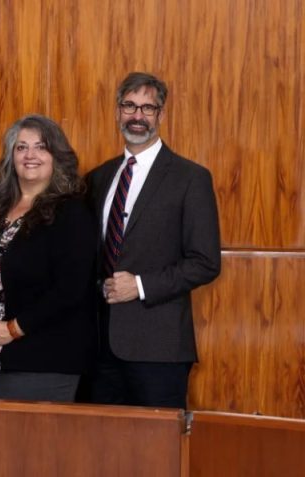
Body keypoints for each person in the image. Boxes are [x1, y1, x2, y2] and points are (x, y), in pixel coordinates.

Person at [86, 72, 221, 408]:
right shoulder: (99, 177)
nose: (138, 116)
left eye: (148, 108)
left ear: (161, 115)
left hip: (158, 350)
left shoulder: (190, 178)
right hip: (99, 348)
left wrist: (141, 285)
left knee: (157, 454)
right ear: (117, 112)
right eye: (130, 106)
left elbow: (205, 262)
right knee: (102, 453)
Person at [0, 114, 97, 402]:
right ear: (11, 157)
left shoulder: (71, 214)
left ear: (57, 156)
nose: (30, 155)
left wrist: (11, 330)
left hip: (46, 360)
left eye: (41, 146)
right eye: (21, 147)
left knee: (35, 446)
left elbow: (70, 290)